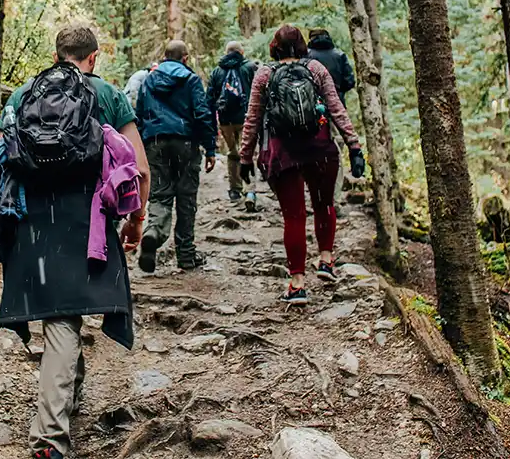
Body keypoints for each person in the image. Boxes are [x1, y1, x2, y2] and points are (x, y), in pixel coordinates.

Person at [0, 24, 151, 459]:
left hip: (32, 223)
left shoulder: (23, 94)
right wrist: (136, 220)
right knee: (64, 318)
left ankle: (68, 394)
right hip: (87, 220)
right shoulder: (108, 95)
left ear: (56, 54)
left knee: (61, 312)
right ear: (93, 58)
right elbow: (139, 167)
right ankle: (48, 439)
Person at [239, 25, 366, 305]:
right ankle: (326, 260)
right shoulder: (316, 69)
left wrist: (245, 156)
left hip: (282, 153)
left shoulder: (265, 74)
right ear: (302, 46)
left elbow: (253, 118)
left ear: (274, 46)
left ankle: (297, 284)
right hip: (320, 149)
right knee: (324, 205)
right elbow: (336, 109)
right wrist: (354, 146)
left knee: (294, 216)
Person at [135, 40, 217, 273]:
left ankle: (153, 232)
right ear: (185, 58)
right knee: (186, 199)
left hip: (155, 142)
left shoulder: (149, 80)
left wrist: (140, 147)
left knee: (159, 196)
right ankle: (186, 255)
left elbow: (139, 114)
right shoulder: (191, 80)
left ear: (164, 56)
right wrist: (210, 148)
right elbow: (202, 114)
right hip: (185, 143)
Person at [306, 28, 357, 208]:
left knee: (311, 150)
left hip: (310, 110)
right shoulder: (339, 55)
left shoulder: (306, 57)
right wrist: (337, 90)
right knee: (336, 151)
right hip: (336, 108)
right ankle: (334, 198)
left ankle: (315, 194)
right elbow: (350, 81)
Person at [207, 40, 257, 202]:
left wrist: (212, 127)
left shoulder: (217, 71)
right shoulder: (250, 68)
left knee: (232, 153)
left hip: (225, 120)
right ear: (242, 52)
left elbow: (210, 100)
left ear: (226, 52)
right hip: (246, 118)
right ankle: (250, 191)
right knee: (247, 152)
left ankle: (235, 190)